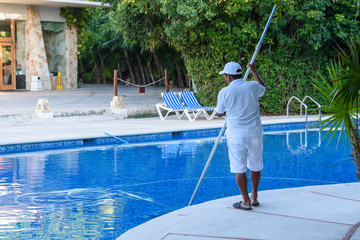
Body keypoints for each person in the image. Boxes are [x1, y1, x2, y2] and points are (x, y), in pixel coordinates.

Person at [216, 61, 266, 210]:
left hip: (236, 135)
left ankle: (245, 201)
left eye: (225, 75)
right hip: (254, 134)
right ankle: (254, 196)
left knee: (239, 168)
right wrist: (254, 71)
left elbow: (219, 113)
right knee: (255, 166)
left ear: (229, 77)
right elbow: (263, 88)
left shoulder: (224, 92)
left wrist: (227, 111)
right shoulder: (252, 86)